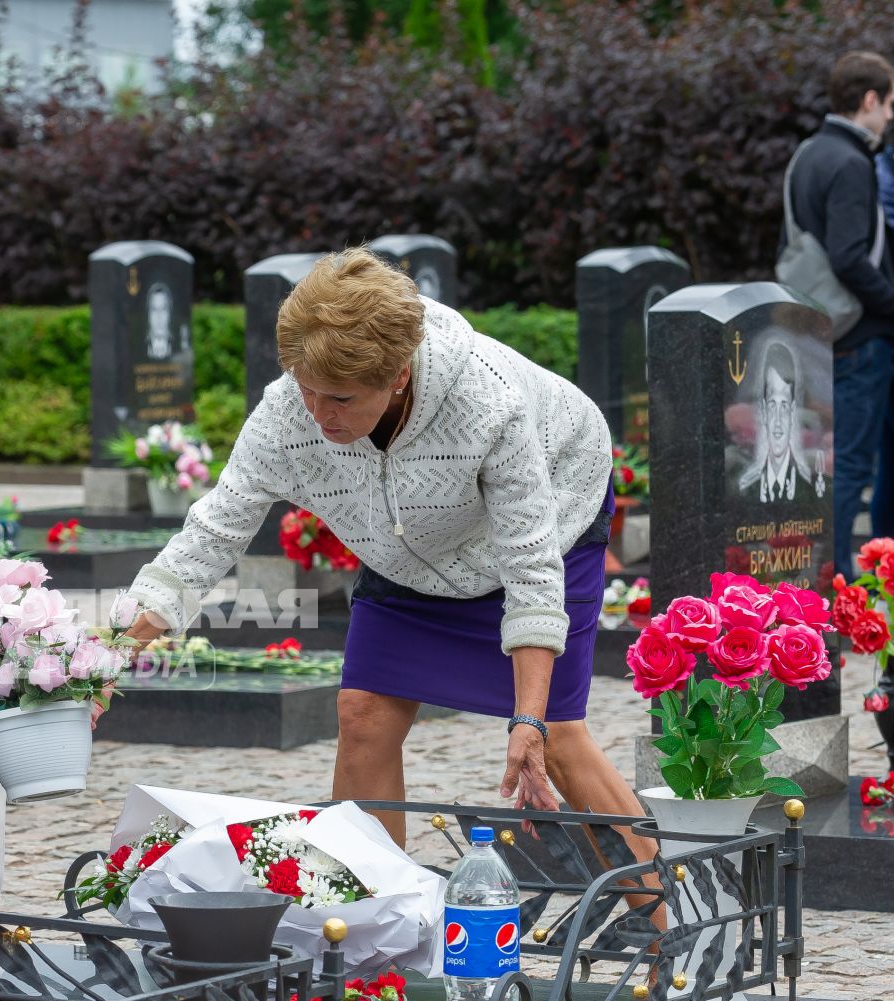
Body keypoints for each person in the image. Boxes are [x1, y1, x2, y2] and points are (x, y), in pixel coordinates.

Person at [116, 248, 645, 853]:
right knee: (363, 714)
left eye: (339, 399)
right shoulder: (289, 411)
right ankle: (374, 927)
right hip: (408, 549)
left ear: (397, 376)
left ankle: (674, 927)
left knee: (555, 734)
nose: (317, 415)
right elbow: (213, 532)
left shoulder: (489, 403)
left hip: (554, 510)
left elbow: (530, 565)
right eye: (307, 390)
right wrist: (110, 658)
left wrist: (526, 718)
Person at [784, 51, 894, 571]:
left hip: (822, 324)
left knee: (836, 464)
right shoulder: (852, 162)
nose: (890, 116)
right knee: (851, 465)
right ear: (869, 100)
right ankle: (839, 579)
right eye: (889, 103)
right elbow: (850, 256)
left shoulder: (807, 153)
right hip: (861, 332)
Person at [738, 340, 819, 503]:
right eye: (771, 405)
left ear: (794, 411)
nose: (777, 421)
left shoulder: (814, 483)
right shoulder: (742, 485)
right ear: (763, 411)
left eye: (784, 406)